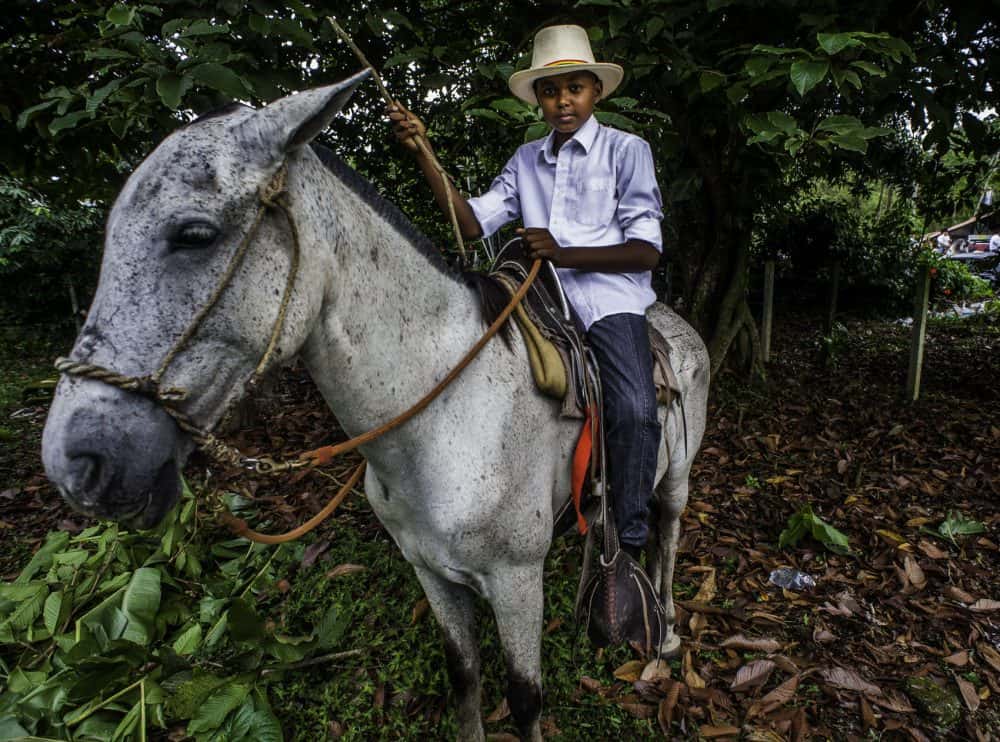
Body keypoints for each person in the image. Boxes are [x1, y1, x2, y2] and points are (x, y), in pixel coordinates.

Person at [387, 24, 663, 562]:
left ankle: (628, 540)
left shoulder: (628, 151)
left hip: (608, 296)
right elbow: (472, 225)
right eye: (551, 91)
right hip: (538, 294)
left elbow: (646, 251)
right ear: (538, 99)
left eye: (575, 89)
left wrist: (564, 252)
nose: (563, 101)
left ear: (596, 92)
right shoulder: (527, 159)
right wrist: (424, 151)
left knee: (633, 407)